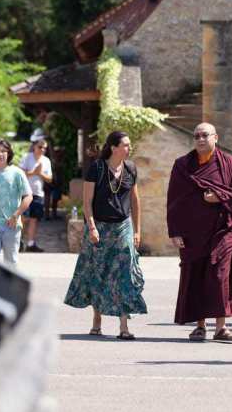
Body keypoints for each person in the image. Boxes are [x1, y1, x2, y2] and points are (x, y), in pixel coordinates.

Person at [167, 122, 232, 342]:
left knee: (220, 276)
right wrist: (175, 231)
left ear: (216, 137)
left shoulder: (230, 165)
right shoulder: (183, 165)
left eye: (205, 135)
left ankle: (221, 327)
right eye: (196, 136)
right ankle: (200, 326)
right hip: (192, 233)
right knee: (195, 276)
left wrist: (220, 197)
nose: (200, 139)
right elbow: (173, 200)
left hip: (221, 232)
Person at [64, 131, 146, 340]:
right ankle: (97, 321)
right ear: (113, 147)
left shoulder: (131, 168)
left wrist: (137, 230)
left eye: (129, 145)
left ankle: (124, 326)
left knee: (124, 275)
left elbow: (136, 202)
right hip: (99, 227)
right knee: (97, 272)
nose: (129, 148)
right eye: (125, 145)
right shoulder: (97, 169)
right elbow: (87, 203)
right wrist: (91, 227)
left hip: (123, 227)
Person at [19, 139, 52, 252]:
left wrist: (40, 173)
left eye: (44, 148)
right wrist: (34, 172)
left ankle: (30, 244)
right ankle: (19, 242)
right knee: (23, 218)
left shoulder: (46, 161)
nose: (42, 150)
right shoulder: (26, 157)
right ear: (34, 147)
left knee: (34, 219)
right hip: (25, 193)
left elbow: (49, 179)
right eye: (40, 147)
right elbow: (20, 174)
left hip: (38, 194)